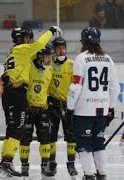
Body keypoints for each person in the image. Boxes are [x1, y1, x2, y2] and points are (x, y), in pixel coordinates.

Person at [0, 25, 62, 178]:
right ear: (21, 39)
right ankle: (6, 164)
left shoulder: (13, 52)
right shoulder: (22, 49)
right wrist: (51, 32)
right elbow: (39, 46)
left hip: (9, 92)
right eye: (28, 37)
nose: (30, 40)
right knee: (17, 130)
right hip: (17, 93)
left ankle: (5, 164)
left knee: (11, 130)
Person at [67, 26, 120, 180]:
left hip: (84, 110)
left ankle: (89, 175)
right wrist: (110, 107)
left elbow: (76, 86)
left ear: (83, 41)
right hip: (101, 110)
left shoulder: (81, 58)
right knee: (99, 142)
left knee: (83, 144)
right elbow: (114, 87)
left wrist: (70, 107)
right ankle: (102, 174)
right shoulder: (108, 59)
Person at [19, 45, 55, 177]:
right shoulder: (29, 66)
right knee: (25, 139)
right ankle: (24, 166)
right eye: (48, 57)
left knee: (46, 138)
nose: (50, 60)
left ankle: (45, 166)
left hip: (43, 109)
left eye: (52, 57)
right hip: (28, 109)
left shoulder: (50, 69)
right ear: (40, 57)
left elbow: (49, 89)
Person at [47, 37, 78, 177]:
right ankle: (52, 163)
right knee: (51, 136)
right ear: (54, 50)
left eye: (63, 47)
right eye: (58, 48)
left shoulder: (72, 64)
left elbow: (77, 86)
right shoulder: (49, 64)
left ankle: (71, 164)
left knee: (71, 136)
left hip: (68, 105)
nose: (61, 50)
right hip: (52, 105)